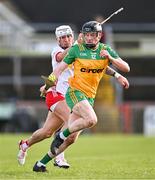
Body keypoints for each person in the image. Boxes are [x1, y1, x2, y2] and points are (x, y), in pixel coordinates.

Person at [33, 21, 130, 172]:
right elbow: (58, 69)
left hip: (89, 97)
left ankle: (40, 163)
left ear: (99, 36)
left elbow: (126, 67)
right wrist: (46, 86)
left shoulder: (105, 50)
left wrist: (113, 64)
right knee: (91, 120)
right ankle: (61, 135)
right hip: (74, 93)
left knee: (72, 139)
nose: (89, 38)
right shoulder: (76, 49)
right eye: (87, 35)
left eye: (92, 35)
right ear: (83, 36)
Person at [17, 25, 79, 169]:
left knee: (46, 132)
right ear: (57, 40)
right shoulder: (56, 51)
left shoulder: (78, 50)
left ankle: (24, 145)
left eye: (68, 36)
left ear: (73, 37)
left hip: (69, 97)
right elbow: (62, 57)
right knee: (71, 122)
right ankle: (58, 157)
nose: (66, 39)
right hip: (55, 95)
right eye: (62, 37)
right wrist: (77, 45)